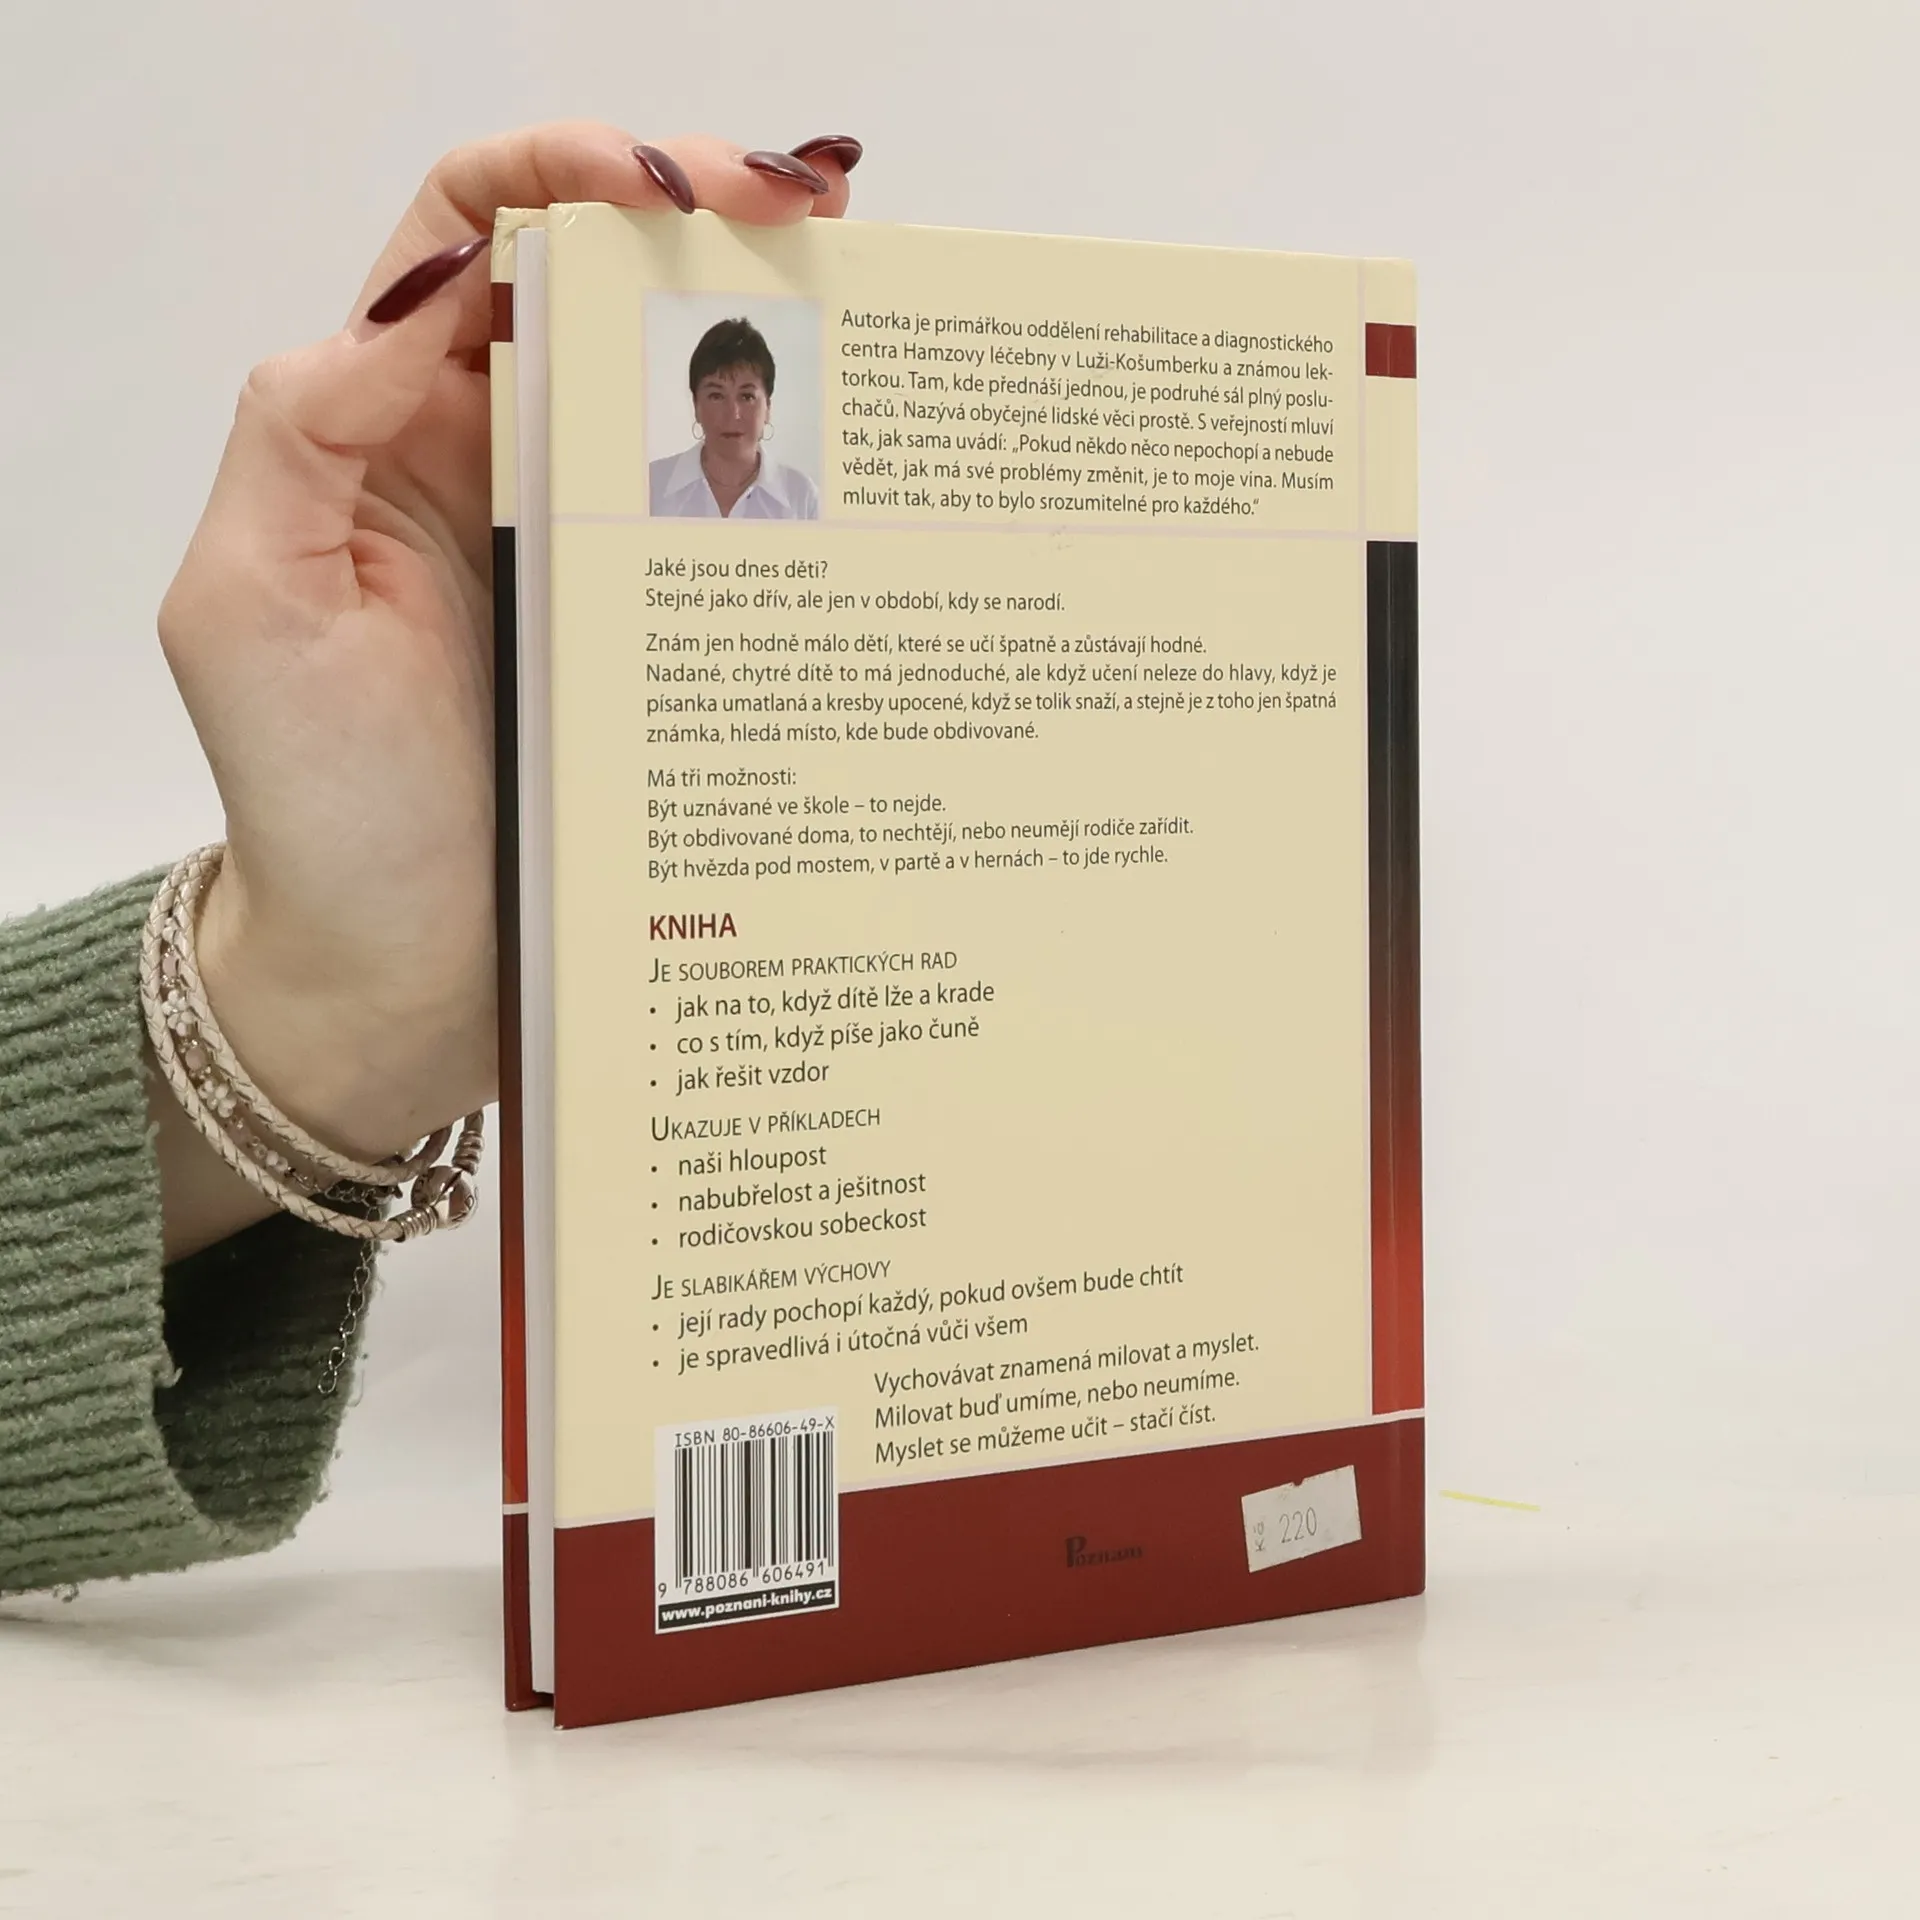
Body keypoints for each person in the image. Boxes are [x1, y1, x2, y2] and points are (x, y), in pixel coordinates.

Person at [0, 124, 859, 1596]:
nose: (728, 407)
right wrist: (349, 1007)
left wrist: (324, 1009)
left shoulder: (788, 510)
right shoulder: (660, 482)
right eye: (712, 386)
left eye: (747, 389)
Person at [649, 315, 821, 519]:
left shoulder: (801, 497)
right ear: (696, 405)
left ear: (768, 407)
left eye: (747, 397)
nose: (733, 413)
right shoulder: (651, 486)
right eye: (716, 396)